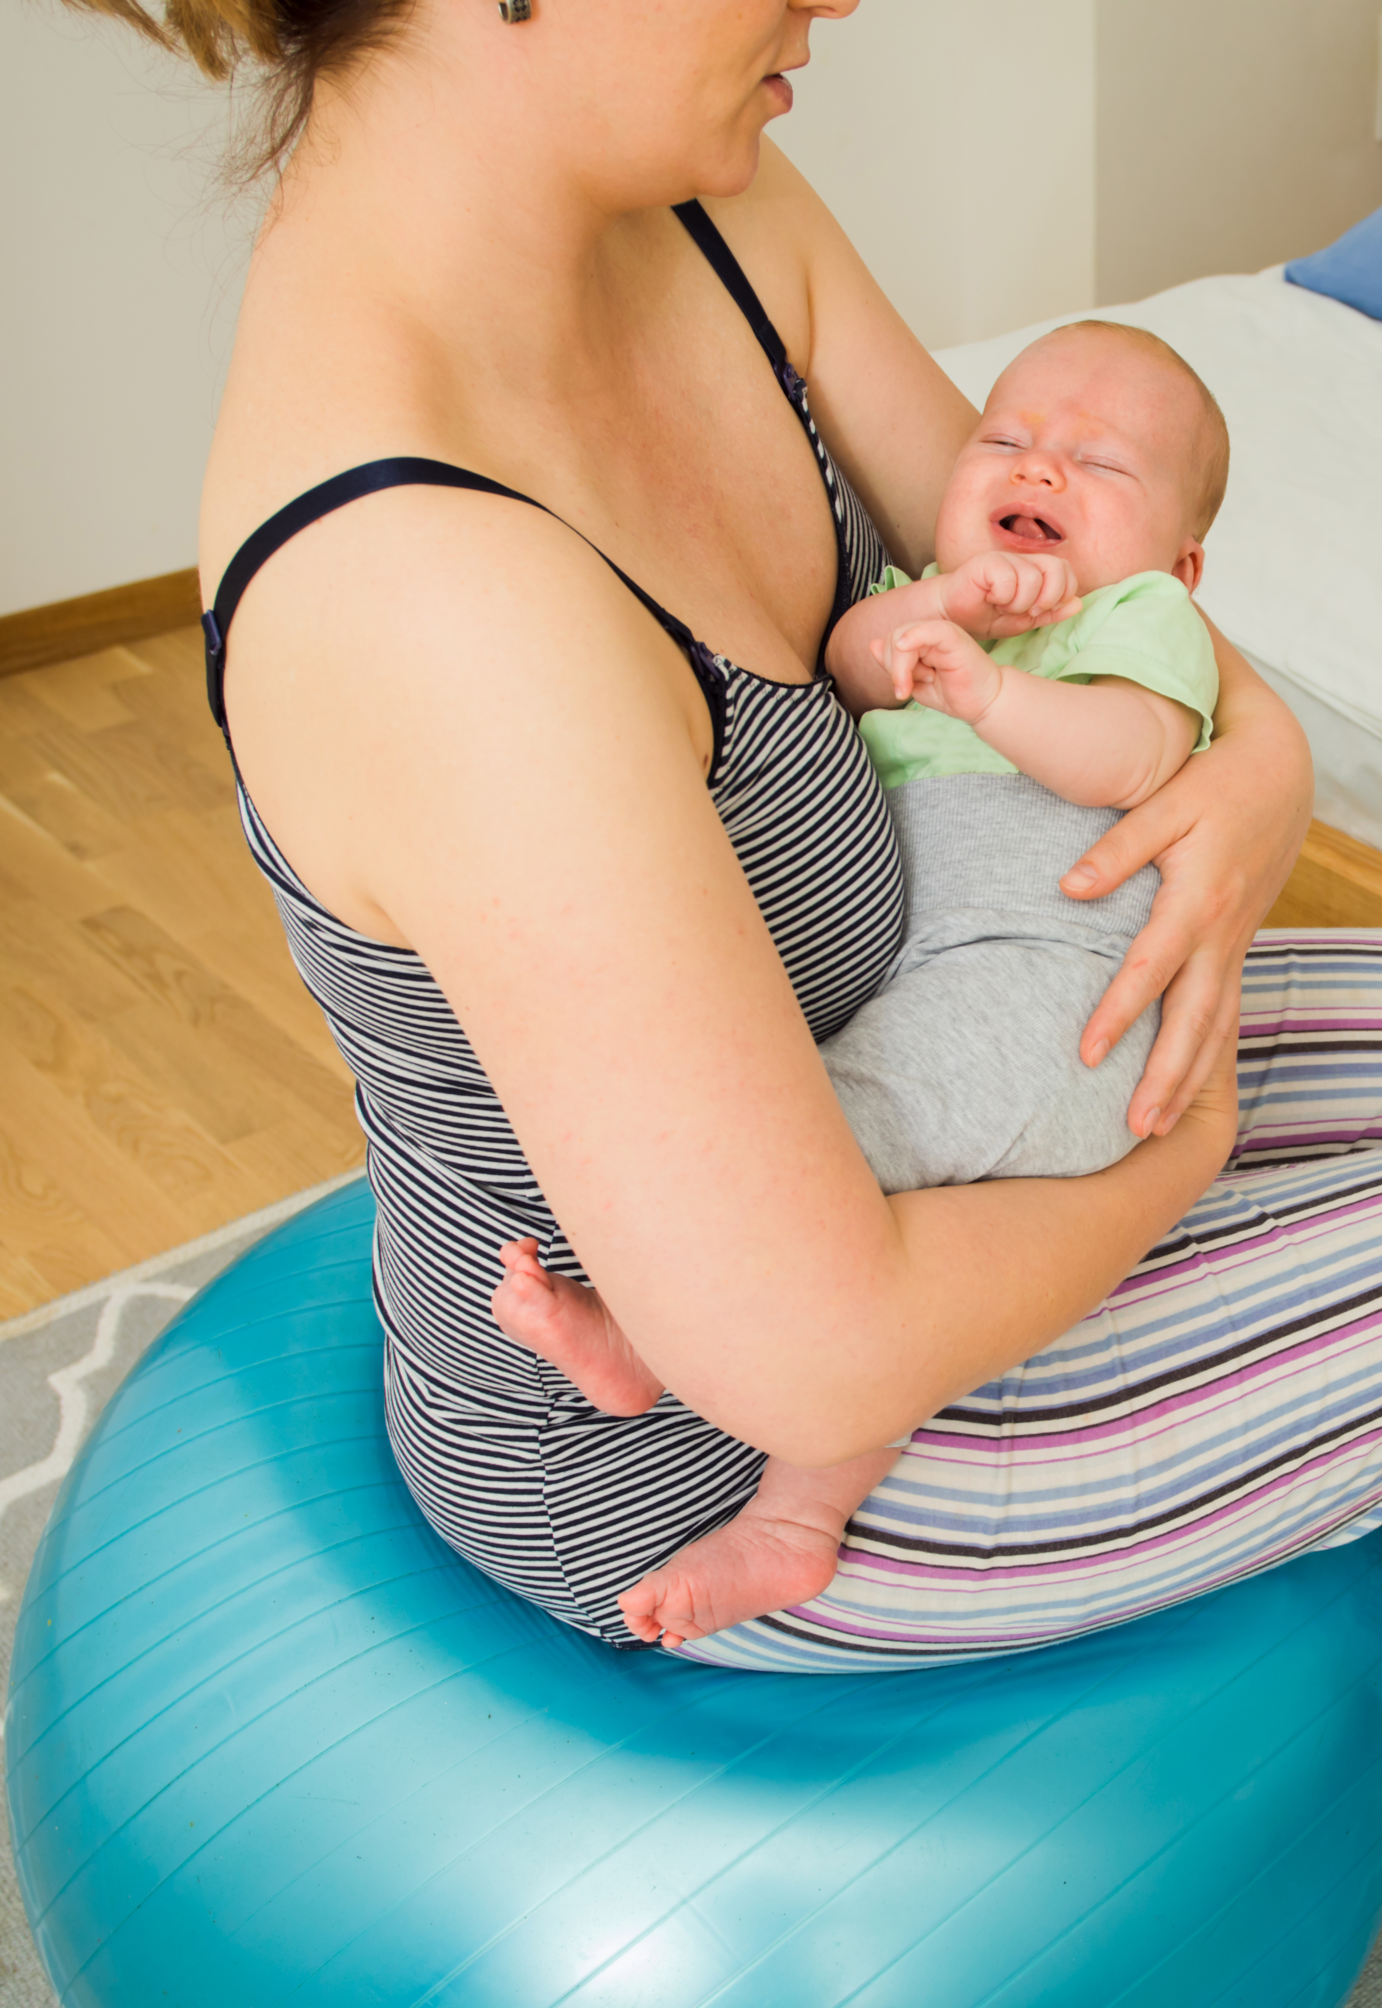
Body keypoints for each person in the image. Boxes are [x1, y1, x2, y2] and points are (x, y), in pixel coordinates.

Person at [84, 0, 1382, 1780]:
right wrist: (1183, 1125)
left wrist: (1263, 777)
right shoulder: (437, 599)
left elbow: (1106, 593)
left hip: (913, 1095)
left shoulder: (714, 215)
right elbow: (808, 1344)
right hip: (709, 1445)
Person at [493, 317, 1234, 1643]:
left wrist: (993, 699)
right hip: (952, 979)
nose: (1044, 469)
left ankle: (674, 1359)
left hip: (1050, 991)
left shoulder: (1145, 619)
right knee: (853, 1182)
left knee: (829, 1161)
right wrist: (932, 616)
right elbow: (845, 661)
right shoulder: (936, 596)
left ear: (1179, 558)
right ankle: (791, 1520)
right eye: (1006, 441)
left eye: (1101, 465)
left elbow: (1130, 756)